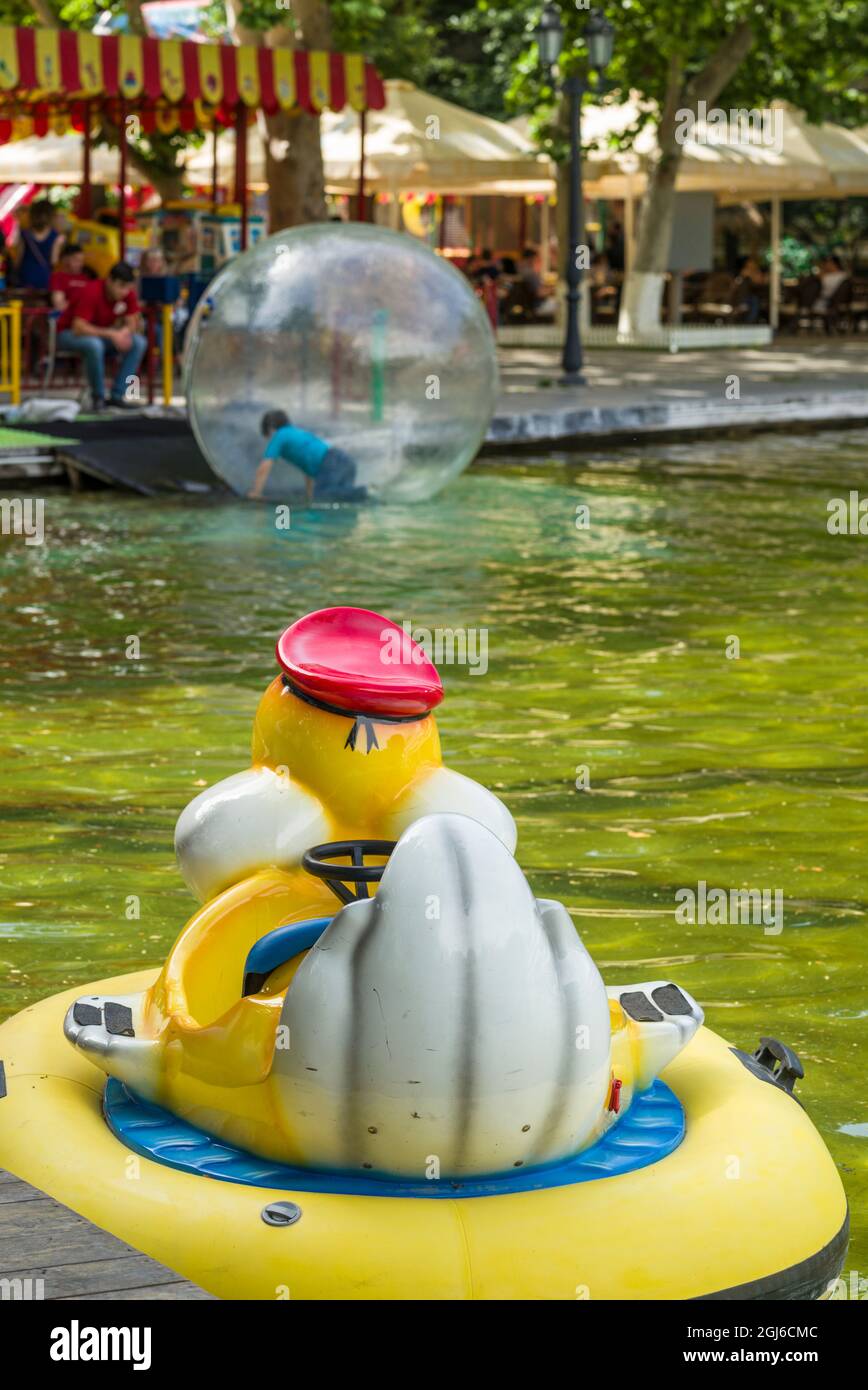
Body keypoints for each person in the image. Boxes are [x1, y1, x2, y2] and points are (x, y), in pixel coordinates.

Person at [56, 261, 146, 411]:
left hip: (101, 335)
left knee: (138, 342)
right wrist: (112, 334)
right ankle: (98, 397)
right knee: (94, 345)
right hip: (68, 334)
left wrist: (123, 333)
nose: (124, 292)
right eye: (121, 286)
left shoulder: (128, 294)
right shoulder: (92, 291)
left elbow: (133, 322)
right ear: (110, 280)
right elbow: (78, 327)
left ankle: (118, 395)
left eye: (127, 288)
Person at [250, 410, 367, 503]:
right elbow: (307, 470)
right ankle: (361, 495)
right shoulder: (297, 433)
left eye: (267, 435)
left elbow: (264, 467)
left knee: (323, 500)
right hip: (344, 460)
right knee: (340, 502)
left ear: (271, 429)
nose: (268, 440)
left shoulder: (280, 436)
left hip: (330, 463)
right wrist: (310, 497)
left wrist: (256, 493)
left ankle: (364, 492)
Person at [13, 198, 64, 291]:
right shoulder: (56, 236)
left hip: (25, 274)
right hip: (45, 277)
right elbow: (54, 261)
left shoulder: (24, 234)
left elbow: (18, 258)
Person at [49, 243, 91, 315]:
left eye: (82, 261)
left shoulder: (86, 278)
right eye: (76, 260)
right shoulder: (58, 277)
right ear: (65, 260)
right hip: (68, 318)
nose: (80, 264)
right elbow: (59, 305)